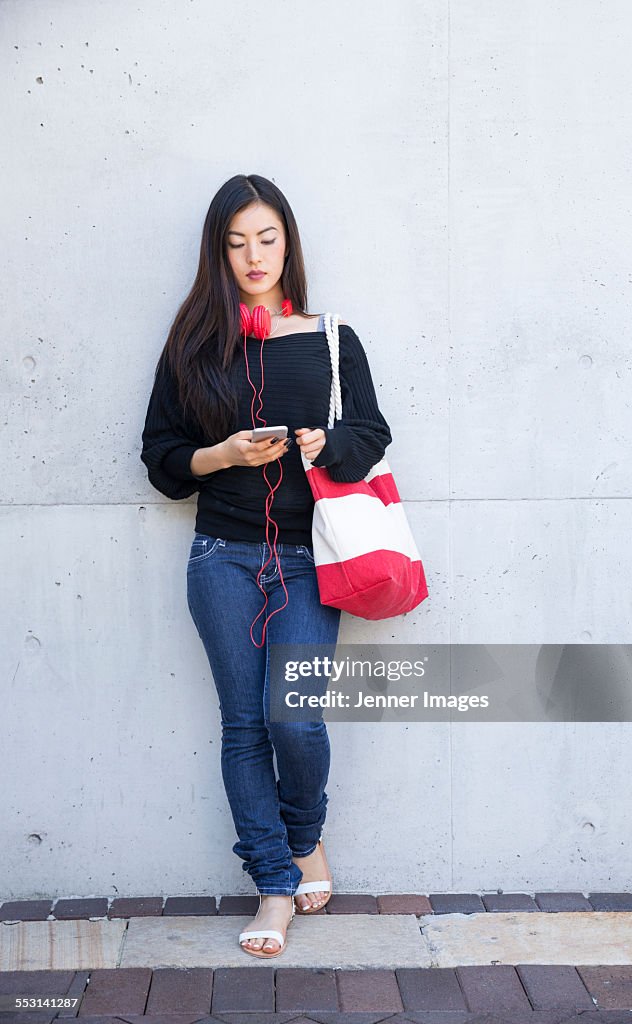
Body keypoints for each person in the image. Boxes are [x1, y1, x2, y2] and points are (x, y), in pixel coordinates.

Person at [140, 173, 392, 958]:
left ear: (289, 242)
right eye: (237, 241)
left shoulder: (331, 337)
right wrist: (218, 454)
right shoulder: (194, 345)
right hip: (221, 555)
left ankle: (304, 833)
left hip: (307, 557)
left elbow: (372, 436)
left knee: (294, 717)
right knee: (244, 724)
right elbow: (160, 457)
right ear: (219, 252)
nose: (254, 255)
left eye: (267, 238)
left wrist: (325, 445)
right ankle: (275, 884)